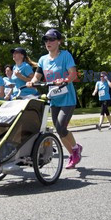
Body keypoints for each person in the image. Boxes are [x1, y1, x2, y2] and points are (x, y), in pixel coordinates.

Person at [27, 29, 82, 169]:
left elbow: (73, 74)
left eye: (51, 39)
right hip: (54, 98)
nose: (48, 42)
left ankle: (75, 149)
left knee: (61, 126)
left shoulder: (65, 56)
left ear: (59, 41)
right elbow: (37, 76)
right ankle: (73, 153)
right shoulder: (43, 60)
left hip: (67, 98)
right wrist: (32, 82)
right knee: (59, 129)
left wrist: (65, 80)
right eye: (46, 40)